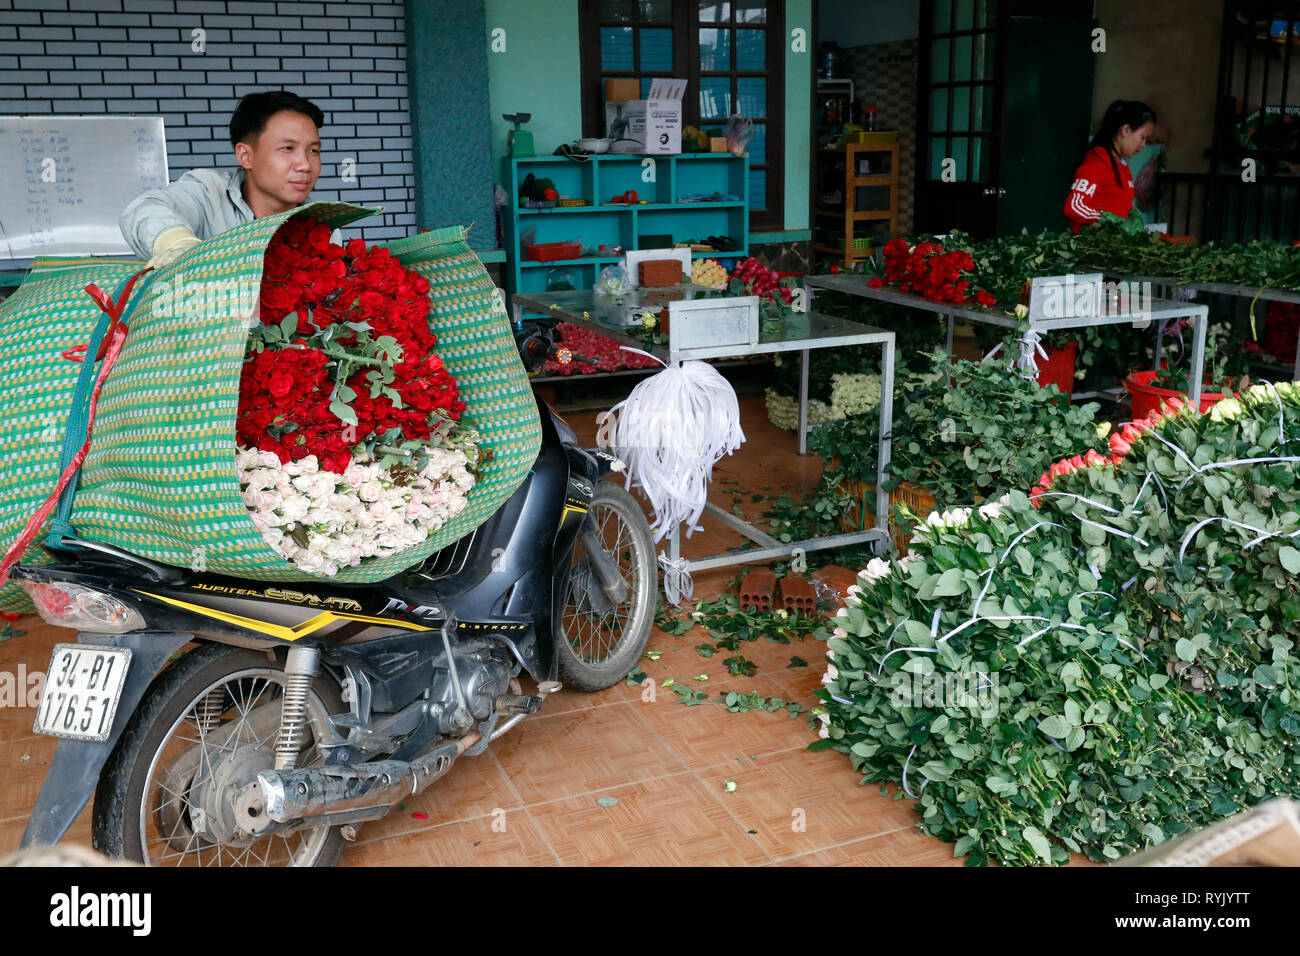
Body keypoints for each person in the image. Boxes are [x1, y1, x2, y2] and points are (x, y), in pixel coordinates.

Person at [120, 90, 337, 266]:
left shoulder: (322, 227)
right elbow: (144, 208)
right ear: (245, 155)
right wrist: (175, 242)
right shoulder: (208, 195)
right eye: (288, 148)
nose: (305, 165)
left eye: (314, 151)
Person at [1063, 99, 1156, 233]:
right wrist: (1107, 219)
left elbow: (1118, 205)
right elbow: (1074, 206)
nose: (1143, 145)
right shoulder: (1097, 162)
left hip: (1114, 246)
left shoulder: (1123, 167)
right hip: (1091, 247)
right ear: (1126, 130)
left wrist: (1132, 214)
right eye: (1143, 137)